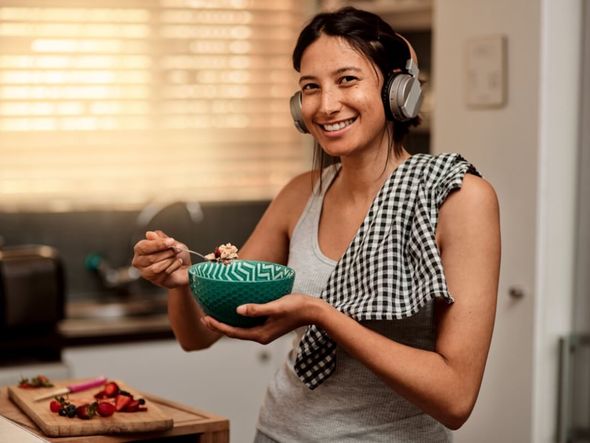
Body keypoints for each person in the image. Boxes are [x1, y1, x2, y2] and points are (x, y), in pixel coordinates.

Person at [132, 6, 501, 442]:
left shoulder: (458, 199)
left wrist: (320, 314)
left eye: (347, 79)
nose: (326, 106)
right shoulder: (299, 195)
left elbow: (455, 399)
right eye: (310, 87)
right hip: (277, 433)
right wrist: (182, 285)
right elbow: (199, 336)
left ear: (398, 91)